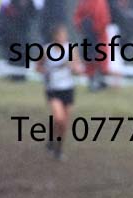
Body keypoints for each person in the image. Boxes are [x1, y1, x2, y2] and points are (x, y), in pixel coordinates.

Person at [37, 24, 83, 160]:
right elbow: (38, 66)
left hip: (68, 89)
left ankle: (58, 148)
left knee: (64, 123)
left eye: (65, 34)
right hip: (53, 89)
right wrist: (46, 72)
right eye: (61, 34)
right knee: (59, 118)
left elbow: (77, 67)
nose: (64, 37)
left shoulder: (71, 50)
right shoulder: (46, 50)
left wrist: (75, 69)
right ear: (55, 36)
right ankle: (53, 141)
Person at [73, 0, 111, 91]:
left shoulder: (99, 2)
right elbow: (78, 16)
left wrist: (95, 28)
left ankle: (101, 81)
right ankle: (92, 81)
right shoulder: (83, 2)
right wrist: (83, 26)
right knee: (89, 59)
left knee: (99, 58)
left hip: (98, 36)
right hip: (88, 35)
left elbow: (103, 19)